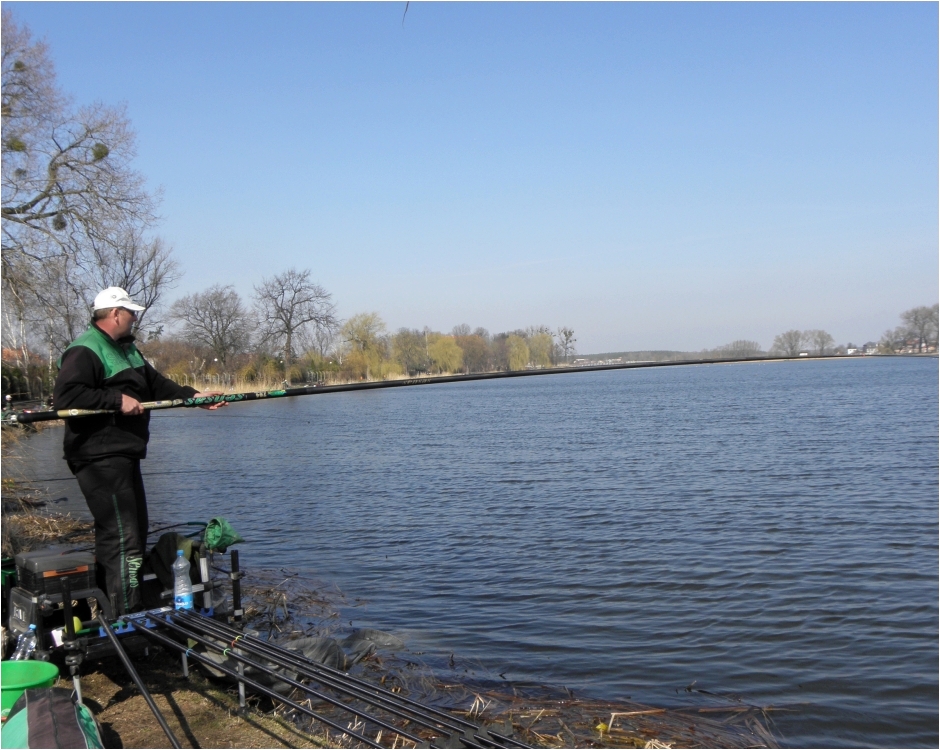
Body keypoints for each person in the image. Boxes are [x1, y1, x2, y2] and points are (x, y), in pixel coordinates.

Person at [53, 287, 225, 615]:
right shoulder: (85, 350)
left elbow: (157, 385)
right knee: (123, 536)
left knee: (135, 532)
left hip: (124, 454)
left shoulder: (127, 350)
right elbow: (67, 396)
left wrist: (194, 397)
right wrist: (116, 400)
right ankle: (124, 616)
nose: (134, 318)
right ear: (115, 313)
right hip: (98, 457)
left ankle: (121, 607)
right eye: (131, 312)